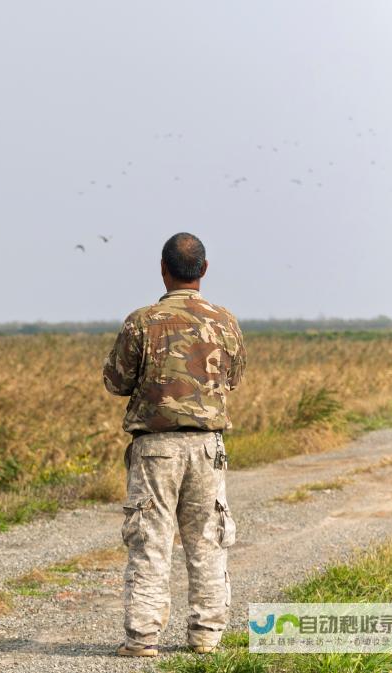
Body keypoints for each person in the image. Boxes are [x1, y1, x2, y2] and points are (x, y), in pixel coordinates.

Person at [103, 232, 246, 657]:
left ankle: (143, 638)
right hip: (207, 448)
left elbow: (115, 381)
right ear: (203, 270)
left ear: (163, 269)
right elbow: (233, 379)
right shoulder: (225, 321)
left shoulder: (141, 321)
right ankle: (205, 636)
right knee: (207, 541)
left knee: (149, 541)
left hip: (154, 449)